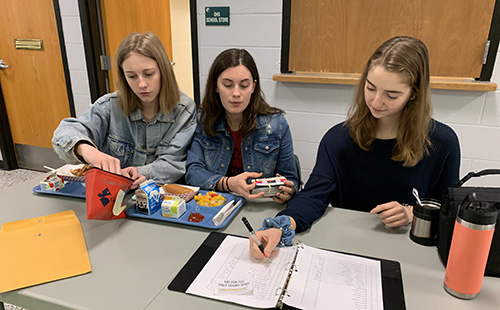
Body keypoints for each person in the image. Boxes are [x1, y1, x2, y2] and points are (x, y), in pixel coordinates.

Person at [250, 36, 461, 260]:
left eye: (391, 95)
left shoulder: (442, 143)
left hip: (408, 254)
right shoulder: (338, 140)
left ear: (414, 93)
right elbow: (314, 196)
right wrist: (279, 226)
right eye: (370, 88)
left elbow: (448, 210)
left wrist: (412, 213)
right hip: (347, 249)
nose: (376, 102)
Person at [52, 32, 196, 188]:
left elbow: (173, 164)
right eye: (132, 76)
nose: (141, 84)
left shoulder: (184, 109)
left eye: (148, 74)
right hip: (112, 197)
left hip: (163, 200)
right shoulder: (109, 105)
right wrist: (86, 150)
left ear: (164, 71)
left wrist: (141, 172)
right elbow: (64, 133)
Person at [185, 48, 298, 203]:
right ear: (216, 86)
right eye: (228, 85)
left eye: (244, 85)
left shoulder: (276, 124)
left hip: (259, 207)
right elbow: (193, 172)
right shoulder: (203, 120)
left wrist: (288, 190)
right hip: (215, 205)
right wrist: (227, 183)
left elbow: (291, 179)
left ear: (253, 86)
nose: (236, 93)